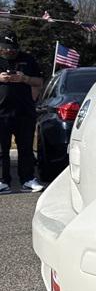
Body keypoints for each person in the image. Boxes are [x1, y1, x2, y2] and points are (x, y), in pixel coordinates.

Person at [0, 29, 45, 193]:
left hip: (24, 112)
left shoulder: (28, 59)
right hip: (1, 113)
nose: (10, 51)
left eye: (13, 48)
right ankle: (2, 181)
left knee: (25, 148)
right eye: (6, 48)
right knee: (1, 149)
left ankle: (28, 179)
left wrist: (24, 78)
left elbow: (39, 81)